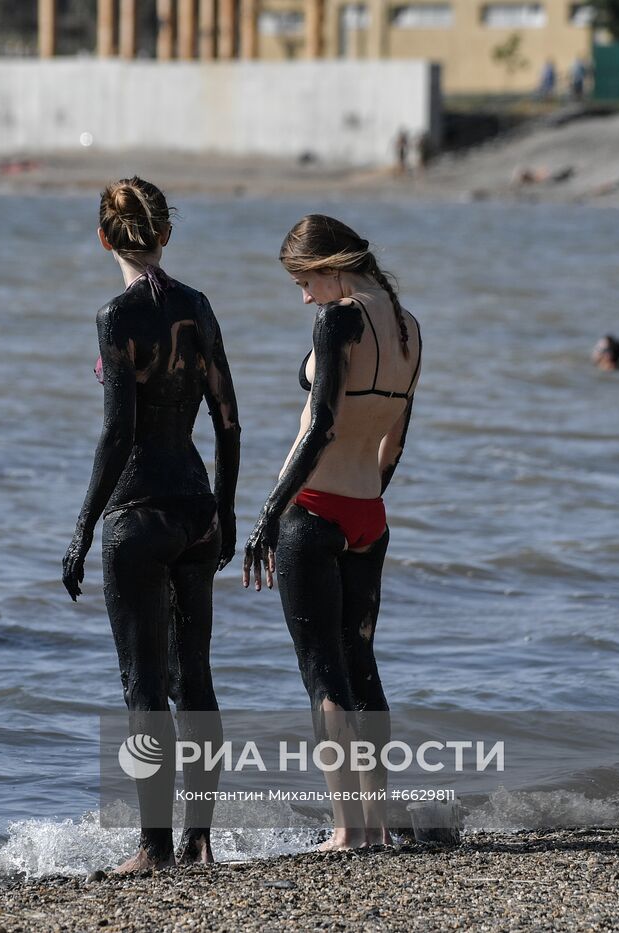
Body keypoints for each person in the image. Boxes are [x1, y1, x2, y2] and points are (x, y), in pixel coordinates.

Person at [63, 177, 241, 873]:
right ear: (164, 234)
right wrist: (224, 509)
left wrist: (81, 530)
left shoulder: (115, 316)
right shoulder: (198, 306)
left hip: (138, 513)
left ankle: (153, 845)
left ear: (105, 237)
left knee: (143, 685)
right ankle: (201, 839)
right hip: (196, 507)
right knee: (194, 680)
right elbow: (228, 419)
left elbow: (116, 435)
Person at [243, 214, 421, 850]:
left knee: (324, 674)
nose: (304, 296)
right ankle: (376, 825)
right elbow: (395, 439)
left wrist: (268, 515)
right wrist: (365, 509)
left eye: (304, 281)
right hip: (369, 515)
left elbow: (318, 427)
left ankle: (350, 829)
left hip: (314, 510)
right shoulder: (408, 327)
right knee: (362, 667)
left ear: (329, 267)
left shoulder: (338, 318)